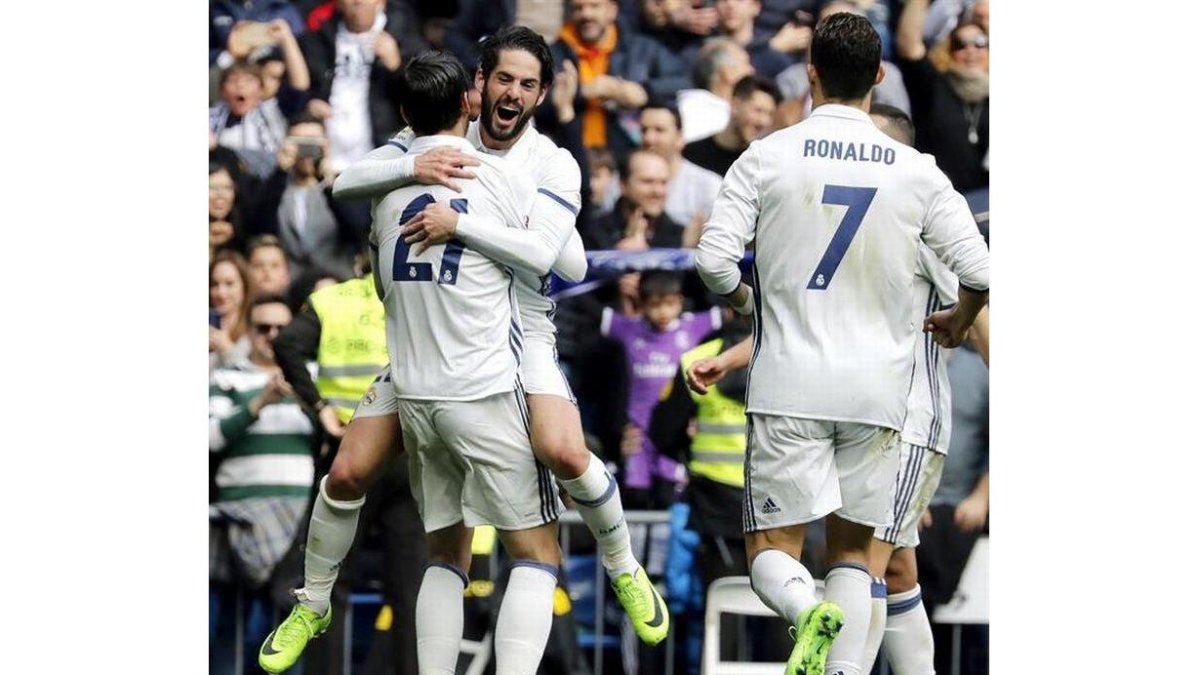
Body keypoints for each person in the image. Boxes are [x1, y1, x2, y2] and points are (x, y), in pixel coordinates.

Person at [261, 29, 667, 672]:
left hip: (518, 333)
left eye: (527, 84)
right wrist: (410, 168)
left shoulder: (548, 164)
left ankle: (622, 565)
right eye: (504, 79)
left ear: (542, 94)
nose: (513, 93)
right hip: (426, 344)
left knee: (565, 451)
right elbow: (346, 182)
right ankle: (312, 602)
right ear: (478, 87)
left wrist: (462, 225)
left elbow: (564, 260)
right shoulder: (431, 141)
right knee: (350, 475)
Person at [693, 13, 990, 675]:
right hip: (880, 394)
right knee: (856, 557)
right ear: (879, 75)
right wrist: (961, 317)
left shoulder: (768, 155)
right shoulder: (917, 171)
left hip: (789, 384)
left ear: (810, 74)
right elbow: (982, 271)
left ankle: (804, 609)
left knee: (771, 551)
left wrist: (747, 305)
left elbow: (712, 263)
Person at [209, 293, 314, 674]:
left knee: (286, 632)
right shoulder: (227, 377)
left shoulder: (312, 377)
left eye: (281, 329)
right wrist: (259, 403)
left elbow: (339, 435)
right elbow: (209, 438)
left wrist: (308, 400)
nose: (272, 336)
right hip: (237, 518)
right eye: (263, 328)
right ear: (249, 332)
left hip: (299, 522)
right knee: (229, 630)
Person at [601, 271, 721, 508]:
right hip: (638, 434)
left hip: (675, 435)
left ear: (680, 301)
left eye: (670, 303)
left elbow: (733, 309)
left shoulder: (692, 326)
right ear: (642, 303)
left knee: (670, 497)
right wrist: (617, 278)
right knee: (636, 498)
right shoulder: (630, 329)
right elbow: (584, 308)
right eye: (655, 305)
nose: (663, 311)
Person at [895, 0, 989, 192]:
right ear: (948, 51)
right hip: (937, 198)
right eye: (960, 44)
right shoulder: (934, 85)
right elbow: (909, 44)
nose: (971, 51)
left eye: (980, 43)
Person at [639, 103, 724, 234]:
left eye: (659, 130)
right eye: (644, 130)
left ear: (679, 137)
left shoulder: (709, 185)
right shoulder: (624, 181)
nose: (648, 138)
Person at [683, 74, 781, 177]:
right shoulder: (691, 155)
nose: (764, 121)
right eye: (758, 111)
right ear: (735, 106)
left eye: (770, 114)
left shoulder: (764, 167)